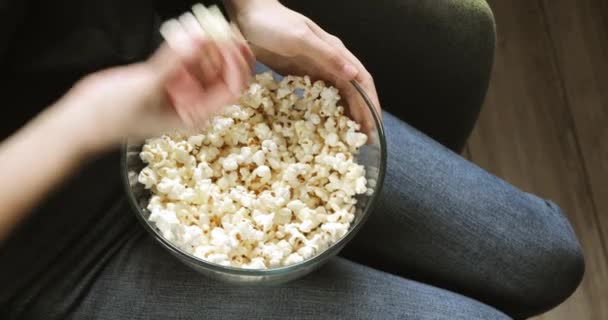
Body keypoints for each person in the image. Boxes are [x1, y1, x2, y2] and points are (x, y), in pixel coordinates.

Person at [0, 1, 583, 319]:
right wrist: (90, 118)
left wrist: (243, 7)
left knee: (549, 253)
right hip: (50, 247)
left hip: (180, 76)